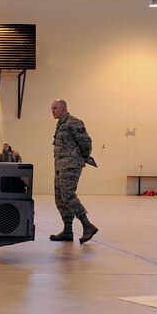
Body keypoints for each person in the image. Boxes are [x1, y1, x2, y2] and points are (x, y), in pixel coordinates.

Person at [50, 99, 98, 244]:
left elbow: (86, 143)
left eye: (55, 108)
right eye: (51, 108)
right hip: (60, 166)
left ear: (64, 108)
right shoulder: (60, 125)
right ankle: (67, 230)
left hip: (70, 166)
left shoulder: (74, 122)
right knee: (60, 198)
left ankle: (87, 225)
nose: (52, 110)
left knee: (68, 196)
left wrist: (80, 157)